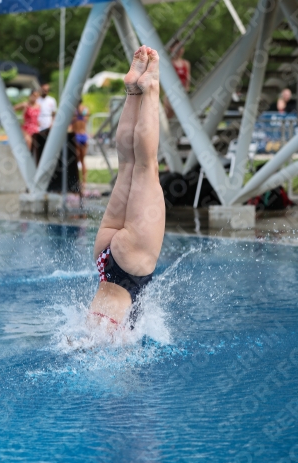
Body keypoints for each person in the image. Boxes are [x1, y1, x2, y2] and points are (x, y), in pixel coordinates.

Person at [87, 45, 165, 333]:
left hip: (129, 267)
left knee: (146, 166)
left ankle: (150, 85)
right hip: (104, 261)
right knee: (127, 164)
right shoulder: (88, 328)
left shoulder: (104, 337)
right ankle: (133, 90)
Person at [164, 40, 191, 119]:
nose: (180, 50)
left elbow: (188, 80)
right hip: (171, 95)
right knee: (168, 118)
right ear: (171, 49)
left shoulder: (186, 63)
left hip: (182, 94)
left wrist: (185, 92)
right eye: (178, 47)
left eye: (181, 47)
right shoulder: (169, 63)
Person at [71, 100, 89, 186]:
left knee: (79, 160)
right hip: (83, 135)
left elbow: (72, 122)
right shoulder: (85, 109)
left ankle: (81, 181)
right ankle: (82, 182)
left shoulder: (74, 111)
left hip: (78, 135)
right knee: (81, 160)